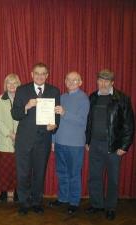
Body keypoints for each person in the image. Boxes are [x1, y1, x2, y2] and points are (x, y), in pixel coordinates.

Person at [85, 69, 134, 220]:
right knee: (94, 177)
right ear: (97, 81)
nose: (103, 83)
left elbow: (129, 125)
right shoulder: (92, 97)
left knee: (113, 178)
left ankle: (111, 207)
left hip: (113, 146)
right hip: (94, 144)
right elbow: (89, 122)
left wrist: (124, 147)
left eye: (107, 81)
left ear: (112, 82)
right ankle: (96, 204)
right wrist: (88, 141)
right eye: (101, 80)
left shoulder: (122, 98)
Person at [11, 62, 60, 215]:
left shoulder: (54, 91)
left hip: (43, 140)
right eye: (37, 73)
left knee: (39, 173)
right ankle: (24, 203)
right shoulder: (22, 90)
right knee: (23, 174)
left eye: (43, 73)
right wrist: (26, 107)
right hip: (24, 140)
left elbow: (56, 114)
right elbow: (15, 114)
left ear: (47, 75)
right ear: (32, 74)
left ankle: (37, 202)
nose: (40, 76)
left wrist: (54, 124)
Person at [49, 71, 90, 215]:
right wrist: (53, 140)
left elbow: (82, 121)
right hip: (59, 142)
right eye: (69, 79)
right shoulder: (61, 97)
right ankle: (63, 198)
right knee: (61, 173)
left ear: (80, 82)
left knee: (74, 174)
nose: (71, 82)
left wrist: (65, 113)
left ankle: (74, 202)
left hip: (75, 145)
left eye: (75, 80)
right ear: (65, 81)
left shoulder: (84, 99)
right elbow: (54, 121)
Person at [0, 74, 21, 202]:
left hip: (20, 140)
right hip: (5, 139)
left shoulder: (22, 99)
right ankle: (2, 192)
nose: (12, 86)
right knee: (4, 169)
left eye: (15, 83)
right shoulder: (0, 99)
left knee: (18, 168)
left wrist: (19, 135)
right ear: (5, 85)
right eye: (9, 83)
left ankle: (18, 192)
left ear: (19, 84)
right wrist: (10, 134)